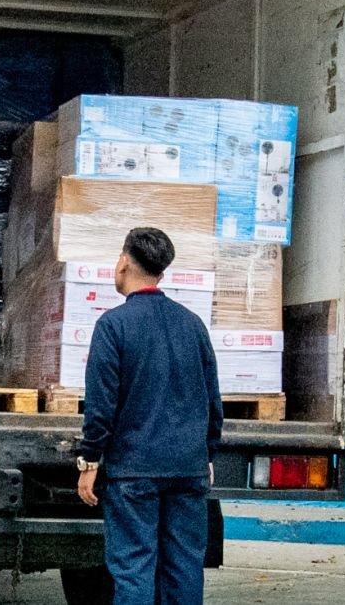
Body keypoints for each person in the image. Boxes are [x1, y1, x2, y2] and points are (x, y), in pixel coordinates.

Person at [76, 227, 223, 605]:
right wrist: (207, 453)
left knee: (134, 569)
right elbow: (212, 400)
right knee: (184, 568)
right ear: (161, 272)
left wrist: (90, 458)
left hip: (135, 471)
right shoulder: (192, 324)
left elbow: (101, 404)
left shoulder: (113, 326)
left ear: (124, 262)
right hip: (188, 469)